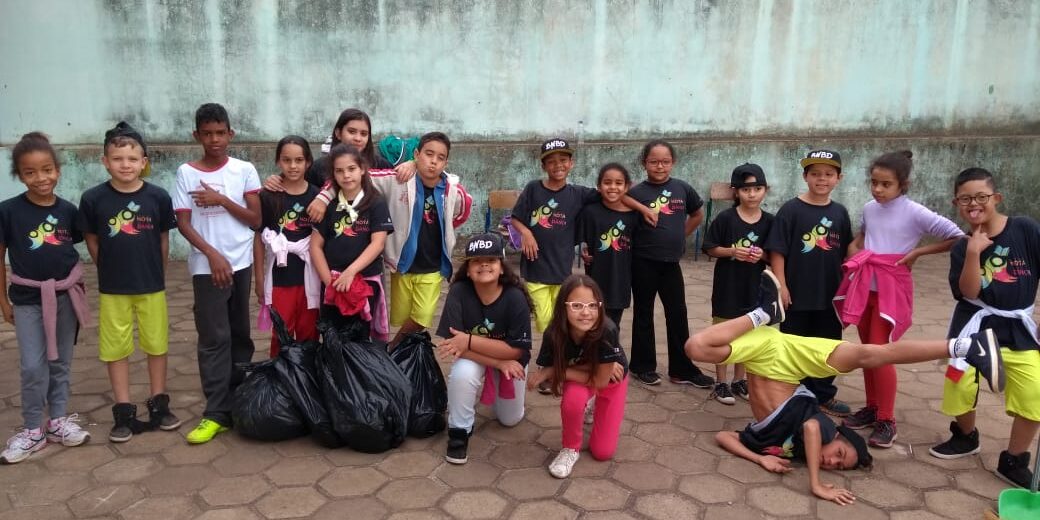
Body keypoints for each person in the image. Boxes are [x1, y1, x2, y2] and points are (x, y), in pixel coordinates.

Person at [687, 271, 1004, 505]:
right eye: (840, 455)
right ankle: (966, 346)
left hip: (762, 357)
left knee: (696, 348)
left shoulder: (785, 451)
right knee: (870, 354)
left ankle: (763, 314)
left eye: (839, 466)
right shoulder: (822, 429)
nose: (833, 462)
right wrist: (816, 483)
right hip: (789, 362)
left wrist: (760, 460)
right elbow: (811, 428)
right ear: (838, 438)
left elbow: (724, 436)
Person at [836, 151, 963, 448]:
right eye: (874, 182)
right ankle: (872, 407)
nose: (877, 189)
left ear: (902, 184)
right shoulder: (869, 207)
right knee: (866, 350)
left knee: (882, 352)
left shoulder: (915, 212)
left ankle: (887, 419)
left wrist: (917, 252)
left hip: (891, 287)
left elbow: (957, 236)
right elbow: (865, 235)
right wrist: (855, 249)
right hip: (865, 285)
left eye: (885, 184)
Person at [928, 167, 1040, 489]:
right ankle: (965, 436)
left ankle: (1014, 459)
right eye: (966, 199)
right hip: (974, 325)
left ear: (996, 198)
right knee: (959, 383)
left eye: (981, 197)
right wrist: (974, 252)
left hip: (1018, 327)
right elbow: (969, 292)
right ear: (956, 203)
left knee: (1034, 393)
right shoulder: (962, 247)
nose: (974, 204)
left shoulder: (1025, 229)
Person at [78, 122, 181, 442]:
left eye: (132, 159)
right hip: (113, 289)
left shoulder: (158, 197)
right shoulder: (94, 199)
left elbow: (163, 239)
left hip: (151, 286)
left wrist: (158, 272)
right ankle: (123, 409)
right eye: (118, 158)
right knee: (115, 349)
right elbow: (92, 240)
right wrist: (107, 269)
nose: (126, 165)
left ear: (144, 162)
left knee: (156, 344)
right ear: (105, 161)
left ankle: (159, 403)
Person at [0, 132, 92, 463]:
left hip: (66, 298)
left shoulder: (68, 211)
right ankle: (30, 430)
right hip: (27, 300)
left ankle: (57, 422)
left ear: (57, 170)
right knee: (32, 366)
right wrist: (4, 302)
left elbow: (80, 247)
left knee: (60, 362)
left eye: (47, 169)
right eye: (31, 172)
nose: (41, 178)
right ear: (19, 175)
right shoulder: (8, 212)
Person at [172, 103, 261, 444]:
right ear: (197, 135)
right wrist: (211, 255)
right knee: (213, 338)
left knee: (240, 334)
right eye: (207, 134)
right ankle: (215, 412)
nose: (214, 140)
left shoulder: (243, 170)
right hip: (207, 268)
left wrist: (221, 200)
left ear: (230, 134)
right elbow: (183, 222)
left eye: (220, 133)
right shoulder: (186, 173)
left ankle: (238, 404)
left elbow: (254, 219)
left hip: (240, 262)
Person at [765, 149, 853, 416]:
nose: (821, 179)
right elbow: (777, 250)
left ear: (839, 178)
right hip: (797, 294)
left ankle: (823, 395)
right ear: (805, 176)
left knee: (828, 346)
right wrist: (781, 285)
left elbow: (849, 251)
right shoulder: (791, 210)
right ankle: (791, 394)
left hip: (829, 295)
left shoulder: (840, 212)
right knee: (793, 345)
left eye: (828, 174)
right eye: (815, 174)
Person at [436, 234, 532, 465]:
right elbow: (453, 346)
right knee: (462, 374)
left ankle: (502, 394)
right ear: (468, 270)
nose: (484, 264)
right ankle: (459, 431)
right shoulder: (459, 291)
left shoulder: (515, 297)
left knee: (509, 420)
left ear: (501, 268)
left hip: (510, 358)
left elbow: (517, 351)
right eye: (477, 261)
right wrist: (497, 363)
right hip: (489, 358)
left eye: (492, 259)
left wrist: (468, 340)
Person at [627, 139, 713, 388]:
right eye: (654, 162)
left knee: (677, 313)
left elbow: (697, 214)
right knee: (643, 313)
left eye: (665, 162)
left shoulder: (682, 189)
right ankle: (642, 366)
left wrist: (680, 235)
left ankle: (682, 369)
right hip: (642, 262)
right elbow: (619, 204)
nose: (659, 166)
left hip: (671, 264)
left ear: (673, 163)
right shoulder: (637, 193)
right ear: (645, 163)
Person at [527, 275, 628, 478]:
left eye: (592, 305)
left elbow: (600, 380)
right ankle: (570, 449)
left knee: (602, 453)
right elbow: (548, 382)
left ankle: (593, 404)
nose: (585, 313)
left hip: (611, 380)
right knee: (572, 400)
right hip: (584, 377)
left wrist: (556, 370)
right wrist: (553, 372)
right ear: (563, 307)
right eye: (576, 305)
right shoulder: (553, 334)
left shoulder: (607, 329)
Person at [702, 163, 774, 405]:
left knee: (748, 332)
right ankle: (721, 382)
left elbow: (773, 255)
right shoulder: (725, 218)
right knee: (723, 332)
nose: (751, 194)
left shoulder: (770, 221)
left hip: (756, 286)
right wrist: (732, 250)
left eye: (757, 188)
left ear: (766, 190)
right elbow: (710, 247)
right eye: (745, 189)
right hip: (728, 285)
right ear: (736, 192)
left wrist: (760, 255)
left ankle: (739, 380)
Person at [309, 144, 393, 336]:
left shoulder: (375, 202)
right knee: (332, 337)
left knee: (360, 338)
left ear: (362, 169)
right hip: (333, 283)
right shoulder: (328, 205)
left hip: (364, 283)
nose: (346, 175)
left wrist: (350, 273)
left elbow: (378, 243)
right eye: (339, 171)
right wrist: (330, 282)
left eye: (351, 169)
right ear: (333, 175)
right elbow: (315, 246)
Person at [254, 136, 320, 356]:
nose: (293, 166)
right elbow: (259, 238)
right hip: (280, 278)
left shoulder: (318, 196)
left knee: (309, 333)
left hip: (310, 276)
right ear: (278, 162)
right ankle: (281, 380)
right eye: (287, 160)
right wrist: (260, 278)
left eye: (299, 160)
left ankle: (307, 380)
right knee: (281, 334)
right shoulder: (268, 195)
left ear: (308, 162)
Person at [577, 163, 638, 329]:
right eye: (607, 182)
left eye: (618, 183)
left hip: (621, 280)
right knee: (592, 322)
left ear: (627, 187)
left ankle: (611, 353)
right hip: (595, 278)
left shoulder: (634, 216)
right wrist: (583, 248)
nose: (613, 187)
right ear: (598, 186)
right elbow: (582, 239)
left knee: (612, 326)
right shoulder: (590, 212)